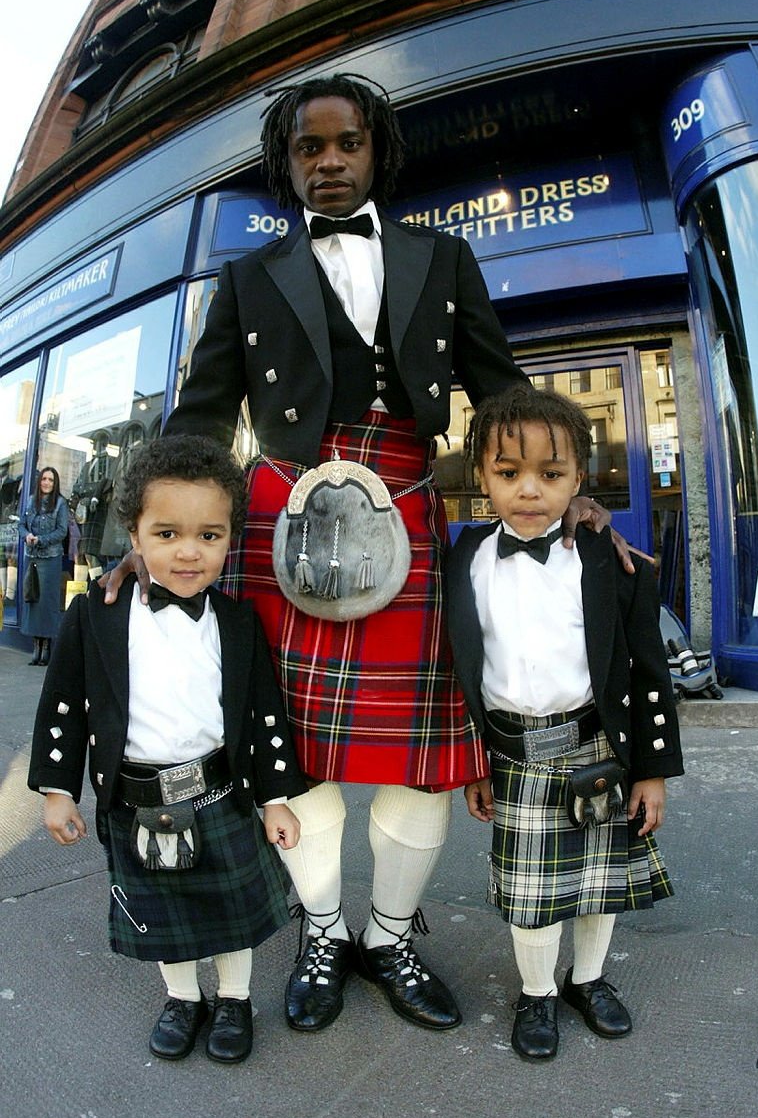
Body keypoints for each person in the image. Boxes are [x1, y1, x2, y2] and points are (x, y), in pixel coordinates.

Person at [105, 73, 626, 1035]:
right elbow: (204, 414)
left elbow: (501, 386)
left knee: (417, 758)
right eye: (310, 149)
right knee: (293, 748)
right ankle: (321, 930)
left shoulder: (444, 256)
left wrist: (574, 487)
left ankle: (388, 935)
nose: (330, 162)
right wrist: (135, 532)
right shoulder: (249, 278)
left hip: (408, 503)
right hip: (284, 509)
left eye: (347, 144)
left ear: (376, 150)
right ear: (287, 163)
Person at [28, 435, 308, 1064]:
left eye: (210, 536)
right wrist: (54, 790)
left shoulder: (237, 621)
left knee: (234, 913)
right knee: (166, 918)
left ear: (230, 536)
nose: (189, 552)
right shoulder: (94, 615)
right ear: (134, 531)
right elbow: (64, 708)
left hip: (221, 794)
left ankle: (234, 999)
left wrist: (277, 801)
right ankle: (184, 999)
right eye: (167, 533)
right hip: (135, 802)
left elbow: (263, 717)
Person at [447, 383, 683, 1060]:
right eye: (508, 472)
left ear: (579, 477)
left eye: (550, 475)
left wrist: (652, 773)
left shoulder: (610, 560)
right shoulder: (459, 562)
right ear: (481, 476)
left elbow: (647, 672)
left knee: (597, 886)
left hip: (596, 745)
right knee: (532, 896)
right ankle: (536, 994)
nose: (529, 490)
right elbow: (459, 675)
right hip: (513, 756)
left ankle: (586, 980)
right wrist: (472, 765)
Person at [18, 466, 69, 666]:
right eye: (44, 479)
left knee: (47, 603)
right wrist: (27, 536)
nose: (47, 483)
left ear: (55, 483)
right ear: (39, 481)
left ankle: (46, 646)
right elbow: (21, 525)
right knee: (32, 600)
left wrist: (40, 539)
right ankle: (36, 645)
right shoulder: (31, 501)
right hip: (32, 558)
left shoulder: (60, 504)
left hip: (51, 558)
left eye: (51, 480)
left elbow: (62, 531)